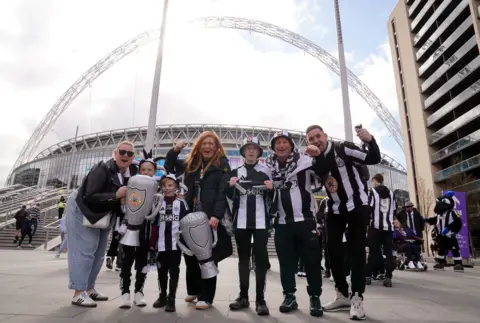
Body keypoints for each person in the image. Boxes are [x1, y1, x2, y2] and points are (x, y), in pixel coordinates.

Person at [305, 124, 381, 320]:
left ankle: (357, 297)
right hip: (336, 208)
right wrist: (313, 157)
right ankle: (342, 293)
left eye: (318, 136)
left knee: (356, 251)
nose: (316, 141)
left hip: (357, 205)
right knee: (332, 250)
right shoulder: (315, 159)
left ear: (325, 136)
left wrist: (370, 140)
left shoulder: (342, 148)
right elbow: (317, 178)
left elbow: (373, 158)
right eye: (311, 139)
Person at [165, 132, 233, 310]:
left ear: (217, 148)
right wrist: (175, 150)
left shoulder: (222, 166)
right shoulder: (191, 165)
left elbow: (222, 193)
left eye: (211, 144)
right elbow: (169, 167)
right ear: (199, 147)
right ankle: (194, 290)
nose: (207, 147)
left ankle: (206, 296)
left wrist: (216, 215)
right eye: (204, 144)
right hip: (189, 216)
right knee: (190, 255)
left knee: (208, 258)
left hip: (209, 218)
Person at [67, 141, 137, 307]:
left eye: (129, 153)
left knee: (99, 253)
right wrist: (115, 195)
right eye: (122, 152)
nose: (125, 155)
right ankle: (78, 292)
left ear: (133, 157)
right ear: (115, 153)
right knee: (85, 250)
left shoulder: (129, 174)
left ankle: (89, 288)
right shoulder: (102, 168)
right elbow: (89, 196)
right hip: (83, 209)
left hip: (104, 214)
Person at [266, 130, 323, 317]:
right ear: (273, 147)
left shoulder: (304, 161)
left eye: (285, 142)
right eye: (277, 143)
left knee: (312, 261)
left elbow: (321, 176)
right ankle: (289, 296)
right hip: (282, 222)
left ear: (291, 145)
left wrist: (318, 156)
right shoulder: (268, 166)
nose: (281, 145)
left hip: (305, 221)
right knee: (286, 263)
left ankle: (315, 296)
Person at [226, 136, 273, 316]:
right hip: (241, 221)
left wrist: (271, 190)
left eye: (254, 148)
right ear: (243, 152)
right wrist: (230, 187)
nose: (251, 151)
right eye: (248, 148)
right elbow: (230, 197)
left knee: (260, 260)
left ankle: (260, 299)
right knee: (243, 260)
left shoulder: (266, 171)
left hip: (261, 222)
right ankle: (243, 296)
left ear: (259, 152)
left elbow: (271, 198)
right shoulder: (235, 171)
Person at [118, 151, 157, 309]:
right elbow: (125, 209)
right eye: (143, 170)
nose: (146, 173)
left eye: (150, 170)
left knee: (142, 261)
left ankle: (139, 292)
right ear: (138, 171)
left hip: (146, 230)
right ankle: (125, 293)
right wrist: (122, 202)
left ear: (154, 172)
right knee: (127, 261)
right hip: (130, 228)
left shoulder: (157, 188)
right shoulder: (131, 185)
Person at [150, 174, 189, 312]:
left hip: (175, 245)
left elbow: (186, 224)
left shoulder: (181, 203)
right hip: (160, 245)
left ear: (176, 187)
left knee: (174, 271)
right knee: (161, 272)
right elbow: (154, 225)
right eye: (164, 185)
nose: (167, 188)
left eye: (170, 185)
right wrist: (151, 243)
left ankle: (171, 298)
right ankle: (162, 296)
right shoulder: (157, 202)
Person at [365, 174, 396, 288]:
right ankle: (388, 277)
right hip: (388, 227)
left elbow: (369, 208)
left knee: (373, 252)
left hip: (375, 226)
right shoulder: (392, 193)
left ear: (375, 181)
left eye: (372, 181)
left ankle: (368, 276)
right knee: (388, 252)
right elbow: (393, 209)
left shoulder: (373, 192)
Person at [425, 191, 464, 272]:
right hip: (442, 236)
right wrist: (426, 220)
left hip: (450, 235)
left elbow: (458, 223)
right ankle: (440, 263)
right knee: (441, 249)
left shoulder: (452, 212)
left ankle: (458, 264)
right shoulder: (439, 215)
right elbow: (434, 220)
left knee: (454, 249)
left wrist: (450, 229)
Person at [317, 197, 331, 278]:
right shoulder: (325, 201)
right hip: (327, 230)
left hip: (340, 229)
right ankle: (328, 269)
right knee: (327, 249)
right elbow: (319, 215)